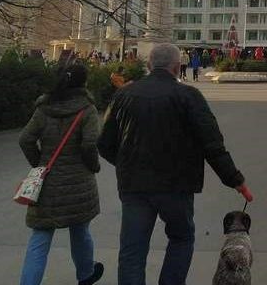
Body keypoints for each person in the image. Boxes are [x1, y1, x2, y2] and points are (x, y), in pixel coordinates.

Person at [98, 44, 253, 285]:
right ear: (178, 67)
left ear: (148, 65)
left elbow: (104, 143)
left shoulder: (124, 95)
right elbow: (212, 145)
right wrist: (236, 180)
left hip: (135, 186)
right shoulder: (189, 96)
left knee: (132, 249)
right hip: (176, 185)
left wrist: (126, 163)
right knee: (181, 238)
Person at [18, 62, 104, 285]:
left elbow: (25, 139)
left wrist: (39, 163)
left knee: (41, 235)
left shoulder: (44, 108)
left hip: (47, 182)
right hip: (78, 181)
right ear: (83, 82)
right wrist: (93, 166)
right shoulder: (86, 109)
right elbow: (89, 144)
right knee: (80, 229)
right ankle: (86, 274)